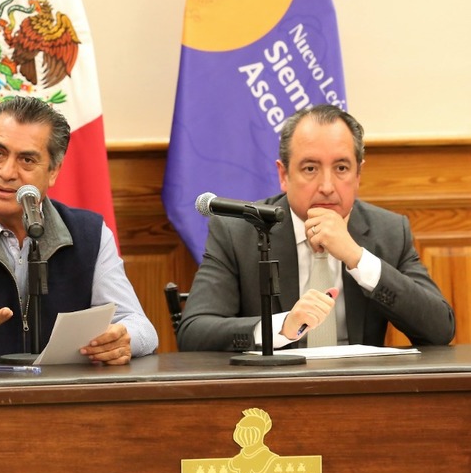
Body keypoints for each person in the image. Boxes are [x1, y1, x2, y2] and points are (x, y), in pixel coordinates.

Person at [0, 96, 158, 364]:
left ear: (54, 171)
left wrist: (122, 339)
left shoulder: (89, 233)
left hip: (67, 398)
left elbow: (141, 327)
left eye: (27, 160)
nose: (7, 172)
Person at [177, 105, 455, 352]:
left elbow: (439, 329)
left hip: (360, 394)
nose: (326, 186)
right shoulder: (238, 232)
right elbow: (194, 332)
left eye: (342, 168)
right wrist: (281, 327)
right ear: (284, 175)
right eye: (310, 169)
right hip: (273, 395)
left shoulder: (389, 231)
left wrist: (357, 258)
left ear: (359, 174)